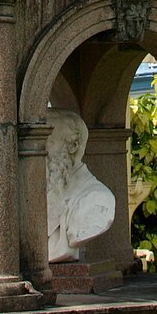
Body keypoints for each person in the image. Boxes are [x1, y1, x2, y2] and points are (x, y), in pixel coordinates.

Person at [45, 109, 114, 261]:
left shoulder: (97, 198)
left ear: (73, 146)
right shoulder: (42, 191)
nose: (40, 149)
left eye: (49, 141)